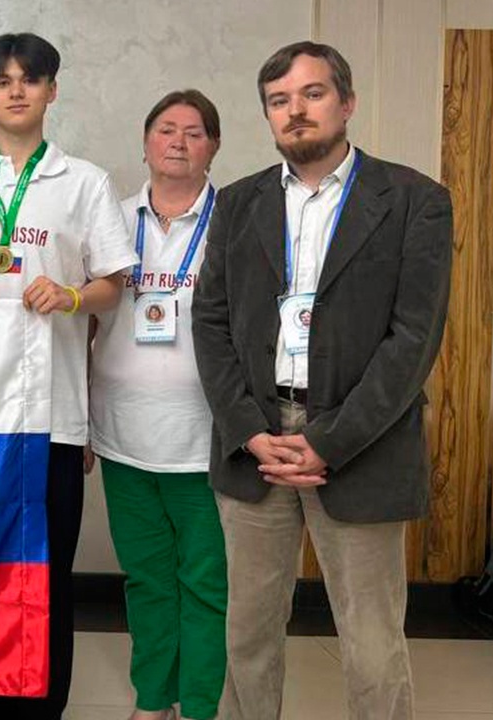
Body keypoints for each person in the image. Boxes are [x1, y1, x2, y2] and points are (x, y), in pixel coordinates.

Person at [192, 41, 452, 720]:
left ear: (347, 102)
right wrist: (248, 429)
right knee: (247, 635)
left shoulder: (415, 201)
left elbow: (413, 341)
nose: (295, 111)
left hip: (361, 442)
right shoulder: (238, 203)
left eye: (312, 93)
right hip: (257, 443)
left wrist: (329, 441)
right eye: (279, 100)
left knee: (371, 643)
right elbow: (210, 325)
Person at [0, 32, 134, 720]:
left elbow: (113, 286)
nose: (16, 91)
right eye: (2, 81)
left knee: (46, 577)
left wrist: (70, 295)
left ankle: (43, 710)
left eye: (30, 79)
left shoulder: (84, 182)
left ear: (52, 90)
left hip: (52, 416)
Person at [89, 90, 227, 720]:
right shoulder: (110, 221)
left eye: (194, 132)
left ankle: (198, 704)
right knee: (147, 579)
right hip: (123, 434)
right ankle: (153, 699)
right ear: (145, 142)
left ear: (213, 147)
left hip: (208, 439)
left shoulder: (235, 224)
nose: (178, 142)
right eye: (166, 129)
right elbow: (84, 326)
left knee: (206, 583)